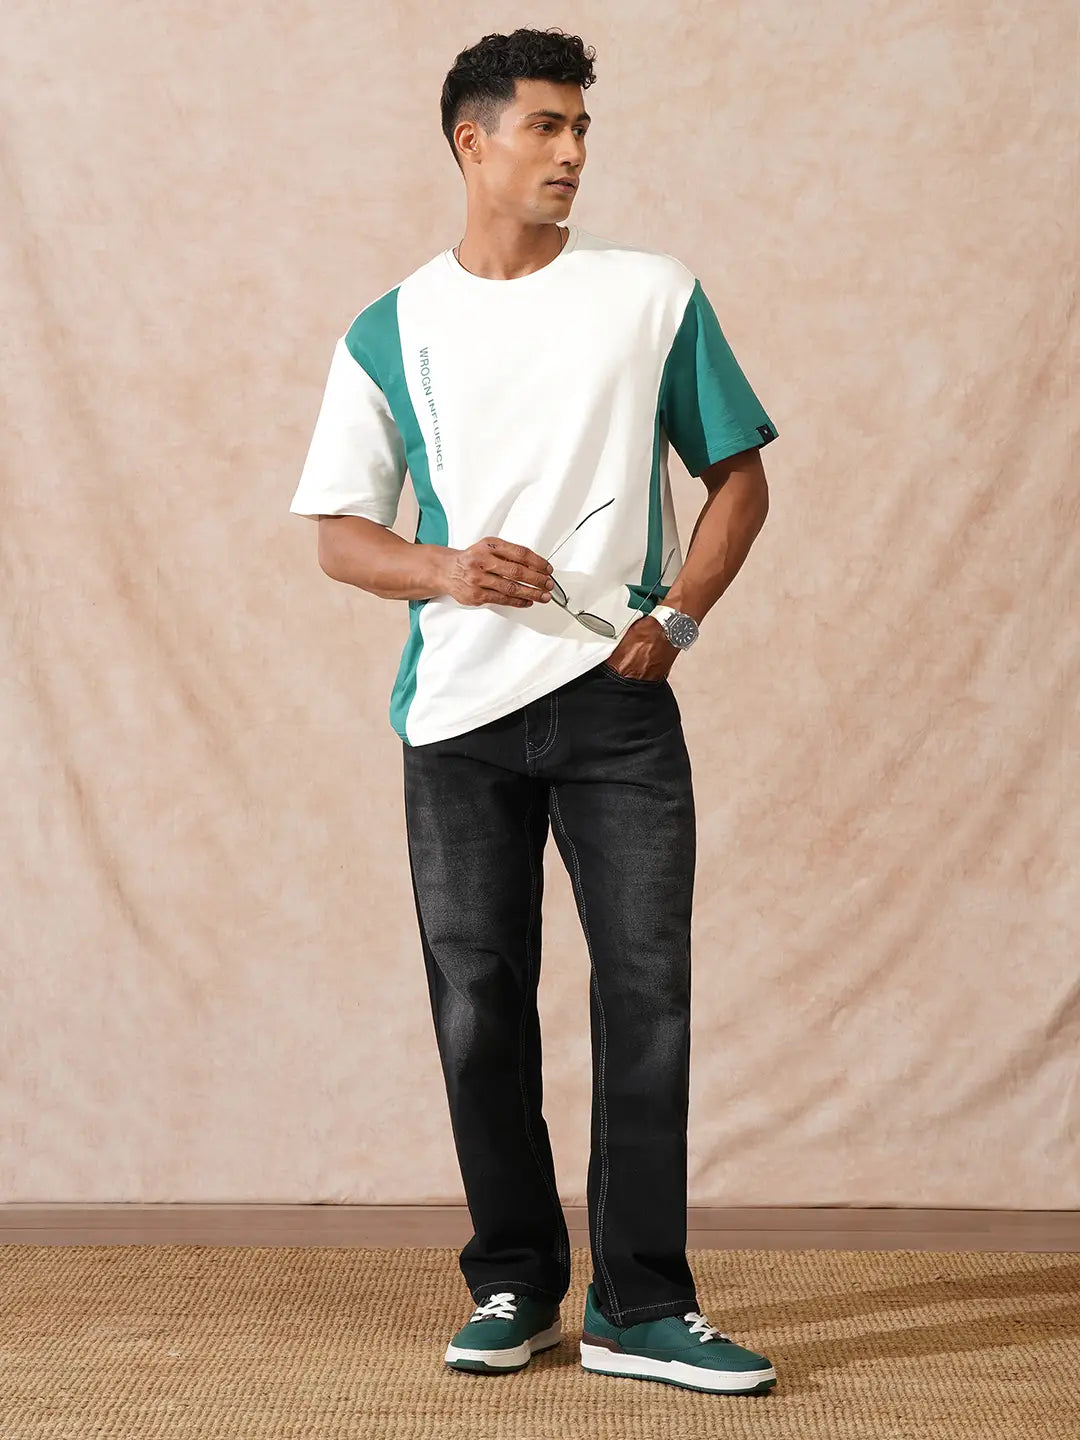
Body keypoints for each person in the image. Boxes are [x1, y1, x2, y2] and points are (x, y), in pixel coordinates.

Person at [289, 26, 779, 1398]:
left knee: (648, 999)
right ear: (473, 140)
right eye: (546, 126)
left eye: (582, 129)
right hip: (455, 719)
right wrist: (447, 568)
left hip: (616, 707)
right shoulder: (390, 328)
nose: (572, 152)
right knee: (478, 1005)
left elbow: (740, 479)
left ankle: (644, 1304)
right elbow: (338, 536)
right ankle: (513, 1280)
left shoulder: (653, 297)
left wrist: (678, 618)